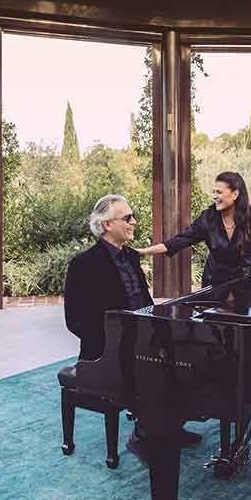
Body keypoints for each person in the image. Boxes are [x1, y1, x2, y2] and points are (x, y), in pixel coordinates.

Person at [63, 194, 201, 464]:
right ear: (106, 225)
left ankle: (169, 425)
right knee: (154, 371)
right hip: (105, 350)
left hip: (142, 337)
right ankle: (144, 434)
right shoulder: (83, 264)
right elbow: (75, 320)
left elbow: (144, 303)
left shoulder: (131, 257)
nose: (134, 222)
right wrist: (116, 343)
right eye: (127, 218)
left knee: (188, 358)